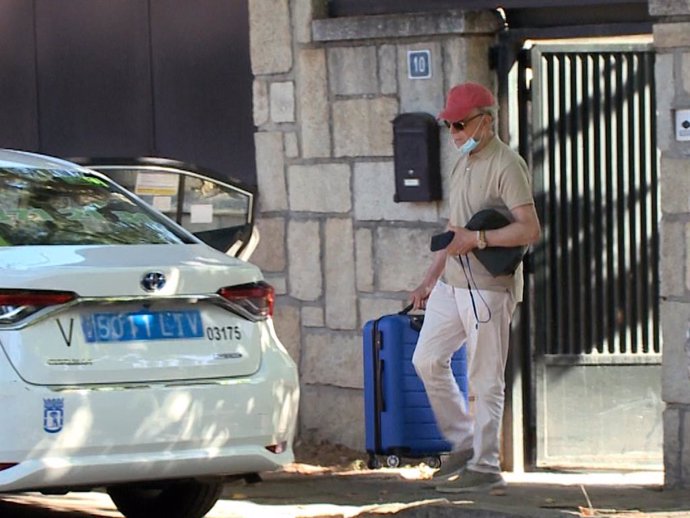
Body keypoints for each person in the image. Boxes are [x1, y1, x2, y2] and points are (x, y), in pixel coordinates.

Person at [410, 82, 541, 493]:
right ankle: (466, 442)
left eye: (461, 124)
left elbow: (530, 229)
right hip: (452, 282)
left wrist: (480, 240)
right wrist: (430, 279)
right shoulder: (461, 163)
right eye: (449, 125)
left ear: (487, 120)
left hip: (489, 287)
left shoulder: (507, 164)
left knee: (485, 379)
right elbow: (454, 231)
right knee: (427, 360)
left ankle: (486, 466)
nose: (454, 133)